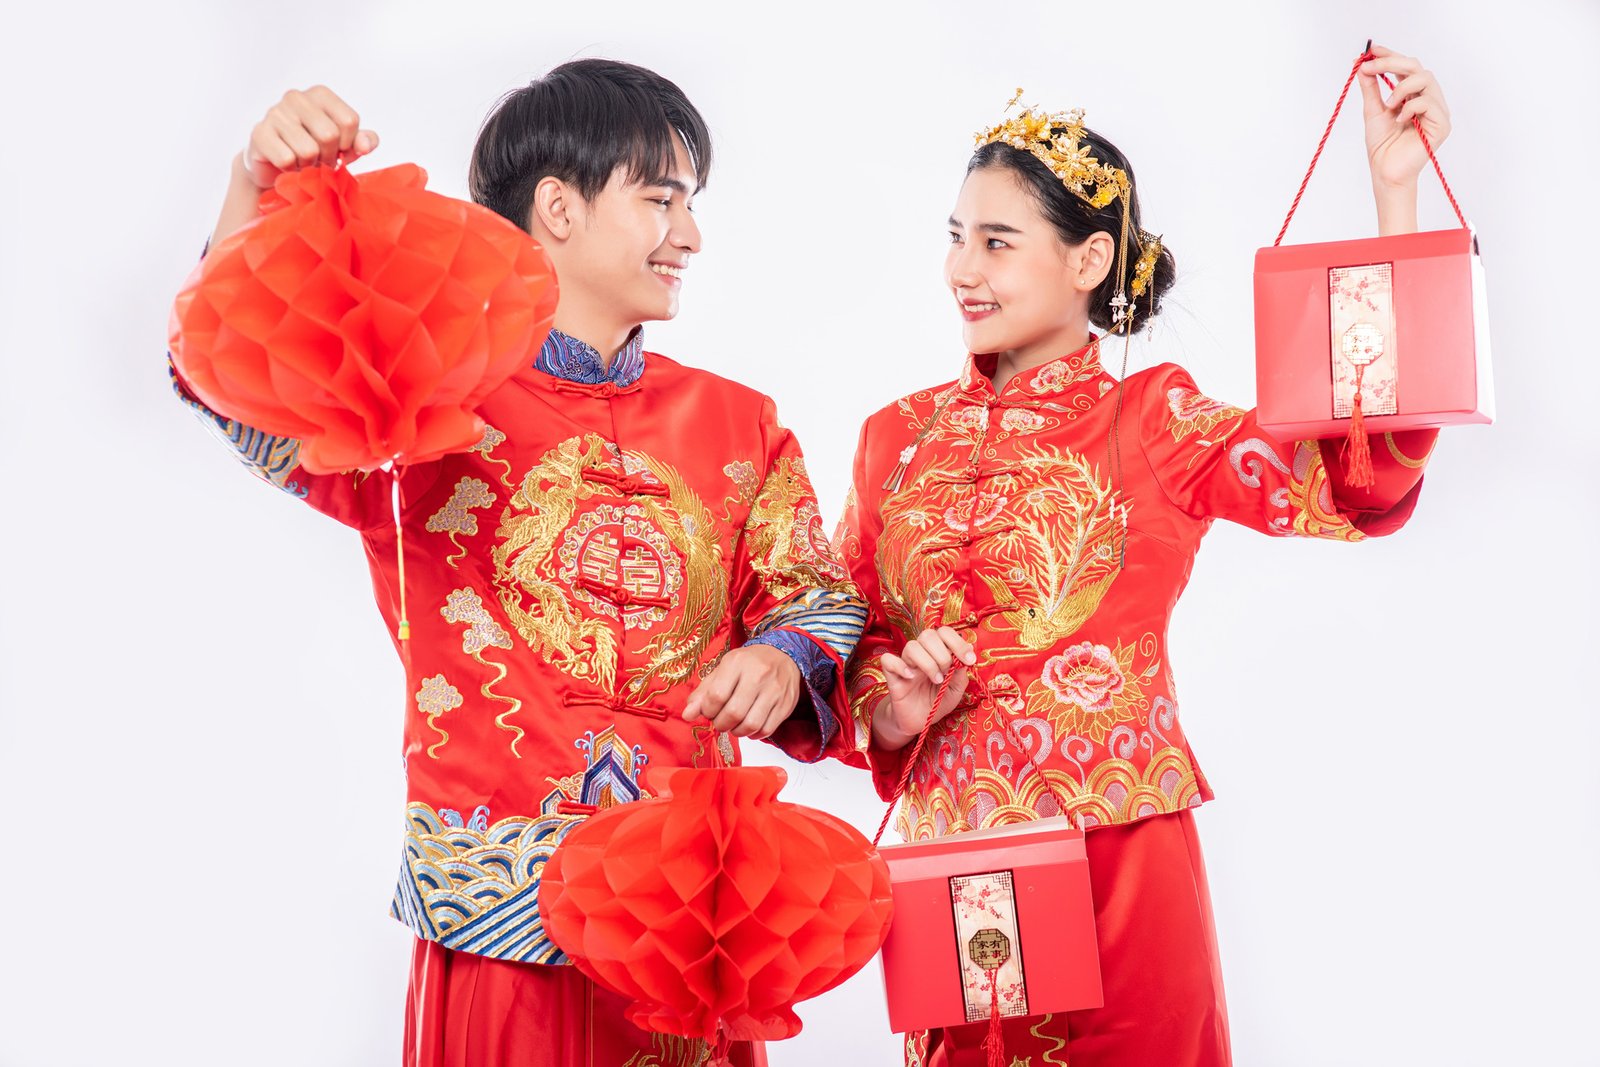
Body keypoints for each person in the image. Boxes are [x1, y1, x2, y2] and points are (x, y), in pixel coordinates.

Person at [171, 59, 866, 1067]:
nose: (690, 235)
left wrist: (779, 657)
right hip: (499, 913)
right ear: (558, 208)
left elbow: (816, 593)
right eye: (660, 199)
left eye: (691, 203)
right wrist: (256, 184)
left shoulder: (736, 421)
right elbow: (237, 388)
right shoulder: (422, 407)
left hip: (692, 919)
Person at [833, 45, 1450, 1067]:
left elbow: (1353, 477)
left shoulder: (1151, 417)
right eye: (955, 239)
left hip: (1116, 860)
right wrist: (892, 707)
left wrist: (1396, 195)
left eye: (996, 241)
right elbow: (854, 655)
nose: (961, 269)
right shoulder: (891, 438)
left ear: (1086, 260)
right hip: (955, 865)